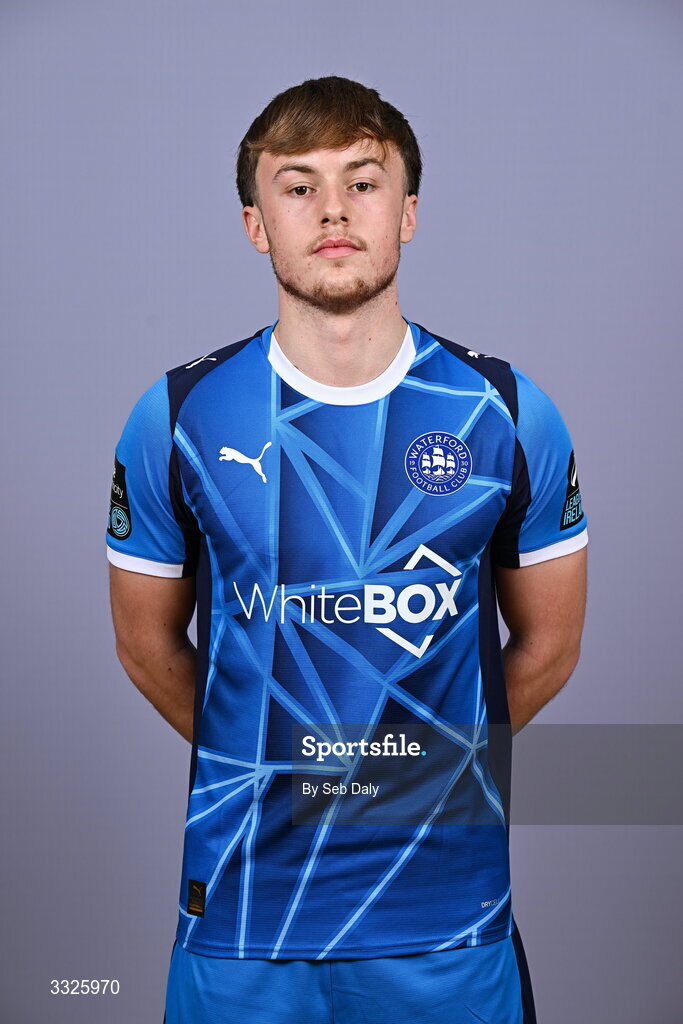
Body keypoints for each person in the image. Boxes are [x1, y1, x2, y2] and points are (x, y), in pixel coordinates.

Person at [106, 75, 587, 1024]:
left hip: (446, 915)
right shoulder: (174, 417)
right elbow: (146, 646)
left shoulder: (508, 413)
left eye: (363, 182)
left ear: (407, 212)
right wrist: (277, 770)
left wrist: (404, 780)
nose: (332, 209)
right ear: (256, 223)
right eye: (297, 185)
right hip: (243, 916)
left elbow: (548, 647)